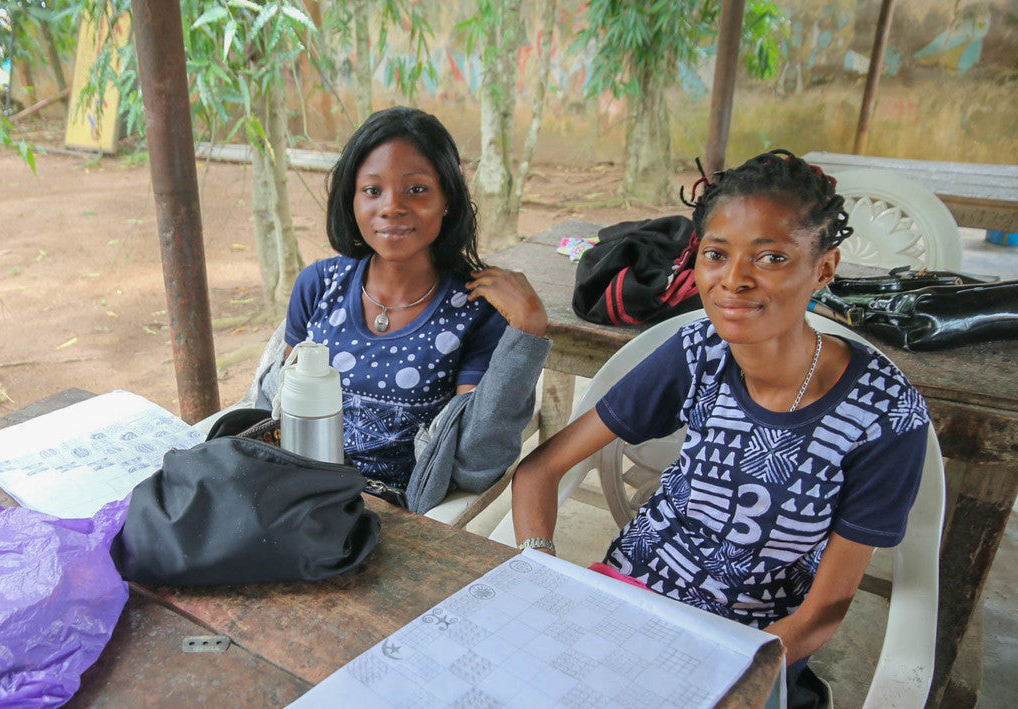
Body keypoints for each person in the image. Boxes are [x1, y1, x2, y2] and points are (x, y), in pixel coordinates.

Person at [511, 149, 931, 669]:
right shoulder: (698, 353)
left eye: (771, 257)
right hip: (624, 596)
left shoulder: (885, 415)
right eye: (716, 254)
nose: (734, 279)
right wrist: (539, 569)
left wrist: (733, 672)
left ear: (824, 269)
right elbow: (540, 469)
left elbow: (824, 611)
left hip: (747, 645)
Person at [262, 106, 551, 511]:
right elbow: (278, 411)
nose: (392, 207)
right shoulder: (319, 285)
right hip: (295, 493)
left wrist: (527, 333)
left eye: (416, 190)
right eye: (372, 190)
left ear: (447, 198)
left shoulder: (474, 311)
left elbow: (474, 463)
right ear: (351, 201)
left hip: (387, 516)